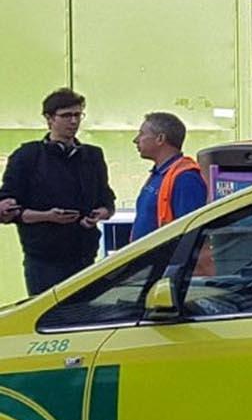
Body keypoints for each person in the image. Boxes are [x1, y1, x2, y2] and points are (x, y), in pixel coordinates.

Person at [1, 89, 115, 296]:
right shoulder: (27, 156)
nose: (73, 121)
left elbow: (106, 199)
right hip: (44, 259)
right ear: (49, 118)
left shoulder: (92, 156)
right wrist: (46, 216)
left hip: (84, 255)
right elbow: (8, 209)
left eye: (77, 115)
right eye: (66, 116)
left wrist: (101, 213)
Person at [130, 112, 208, 240]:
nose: (136, 140)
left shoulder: (185, 179)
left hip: (164, 258)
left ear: (160, 139)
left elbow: (190, 234)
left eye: (142, 134)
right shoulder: (159, 175)